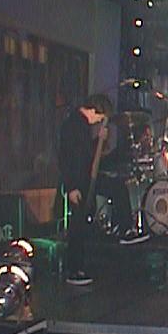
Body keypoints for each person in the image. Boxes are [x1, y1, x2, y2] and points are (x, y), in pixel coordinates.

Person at [59, 93, 142, 286]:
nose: (99, 121)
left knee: (117, 188)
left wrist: (99, 141)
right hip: (78, 181)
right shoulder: (73, 125)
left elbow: (86, 154)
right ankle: (74, 270)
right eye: (100, 117)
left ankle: (124, 229)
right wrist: (71, 187)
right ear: (94, 110)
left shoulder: (81, 126)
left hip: (87, 177)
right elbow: (66, 158)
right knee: (77, 224)